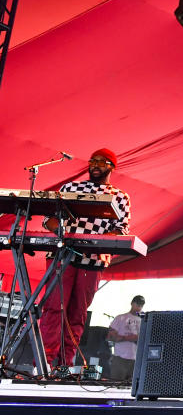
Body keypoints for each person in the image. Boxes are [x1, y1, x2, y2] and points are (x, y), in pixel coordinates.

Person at [38, 148, 132, 369]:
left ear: (112, 166)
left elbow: (121, 230)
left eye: (102, 161)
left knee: (77, 314)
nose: (95, 164)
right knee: (53, 309)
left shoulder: (120, 196)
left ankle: (64, 366)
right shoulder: (71, 187)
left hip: (93, 260)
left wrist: (94, 242)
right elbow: (49, 220)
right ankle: (44, 365)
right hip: (62, 255)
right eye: (93, 161)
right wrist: (65, 235)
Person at [107, 295, 144, 380]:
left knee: (133, 389)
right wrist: (130, 338)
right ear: (132, 303)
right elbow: (110, 337)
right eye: (137, 304)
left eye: (141, 305)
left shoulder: (144, 320)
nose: (139, 307)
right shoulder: (120, 318)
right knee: (114, 386)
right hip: (120, 359)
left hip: (137, 361)